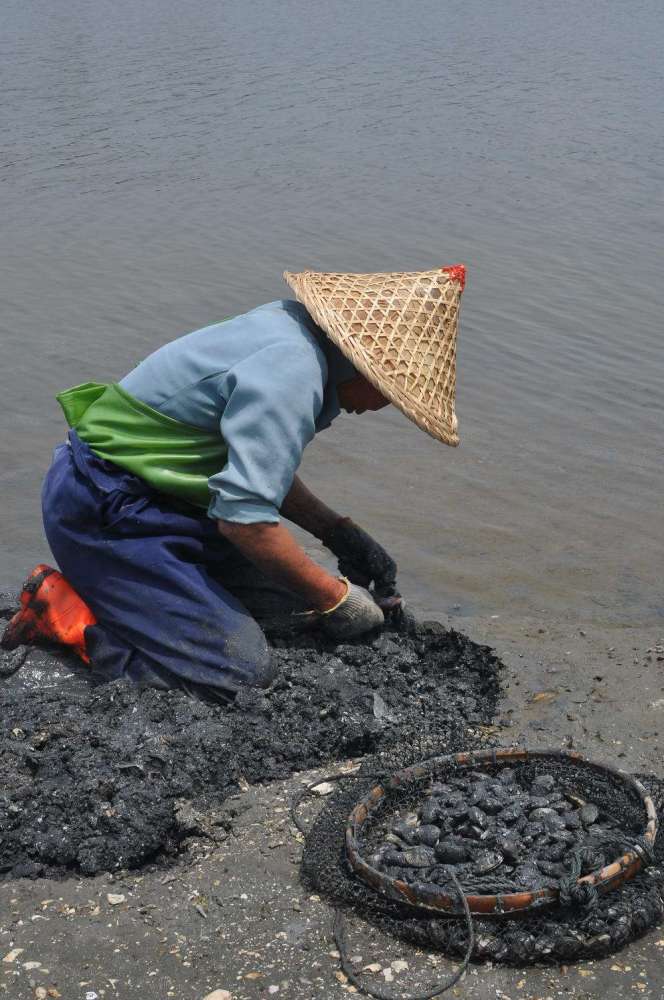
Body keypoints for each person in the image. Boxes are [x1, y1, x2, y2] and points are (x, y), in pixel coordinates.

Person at [2, 265, 465, 699]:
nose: (385, 407)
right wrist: (338, 599)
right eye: (392, 391)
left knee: (294, 613)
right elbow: (245, 524)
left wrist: (336, 531)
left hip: (171, 503)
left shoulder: (293, 330)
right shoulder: (292, 374)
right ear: (365, 365)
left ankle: (126, 596)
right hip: (106, 508)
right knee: (240, 674)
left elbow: (252, 470)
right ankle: (71, 617)